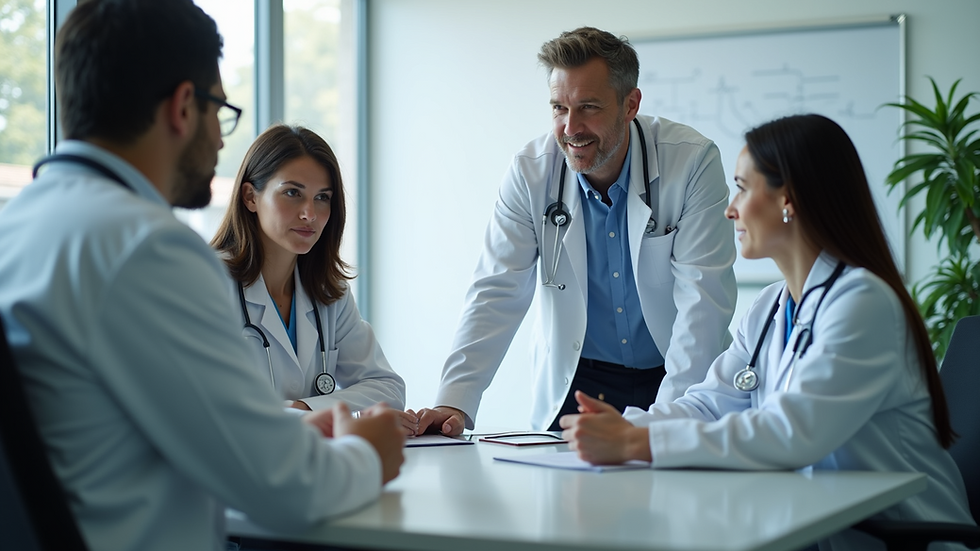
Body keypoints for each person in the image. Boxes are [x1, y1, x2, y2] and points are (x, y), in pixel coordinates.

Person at [0, 2, 404, 550]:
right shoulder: (147, 250)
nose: (219, 140)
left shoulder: (18, 227)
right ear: (183, 107)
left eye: (323, 199)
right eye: (219, 110)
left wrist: (283, 427)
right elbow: (286, 486)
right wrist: (368, 453)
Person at [560, 114, 976, 549]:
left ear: (788, 200)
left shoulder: (862, 302)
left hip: (904, 538)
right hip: (815, 527)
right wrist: (629, 426)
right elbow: (709, 403)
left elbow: (793, 433)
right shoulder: (772, 304)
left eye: (742, 187)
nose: (730, 208)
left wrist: (640, 442)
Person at [415, 26, 737, 434]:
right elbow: (496, 291)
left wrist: (665, 424)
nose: (570, 128)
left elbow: (704, 303)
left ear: (630, 104)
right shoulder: (531, 172)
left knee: (675, 492)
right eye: (558, 108)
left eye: (588, 107)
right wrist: (454, 400)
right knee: (568, 495)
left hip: (675, 374)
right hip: (581, 385)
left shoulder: (690, 162)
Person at [211, 124, 415, 434]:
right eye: (292, 193)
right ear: (250, 197)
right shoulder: (207, 283)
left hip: (314, 466)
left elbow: (386, 388)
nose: (310, 213)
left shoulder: (328, 291)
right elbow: (202, 403)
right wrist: (311, 417)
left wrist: (307, 409)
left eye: (322, 197)